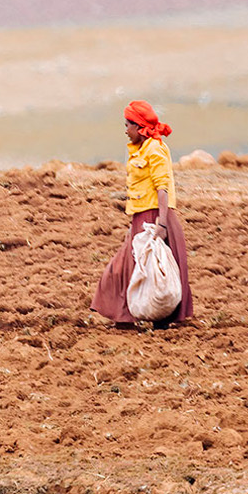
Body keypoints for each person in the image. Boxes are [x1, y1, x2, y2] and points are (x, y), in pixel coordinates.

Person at [91, 100, 195, 329]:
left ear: (139, 127)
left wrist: (162, 224)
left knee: (139, 268)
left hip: (153, 218)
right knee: (135, 267)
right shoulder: (142, 149)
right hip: (142, 216)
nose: (125, 131)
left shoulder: (155, 149)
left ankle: (129, 318)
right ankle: (128, 318)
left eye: (127, 125)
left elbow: (163, 188)